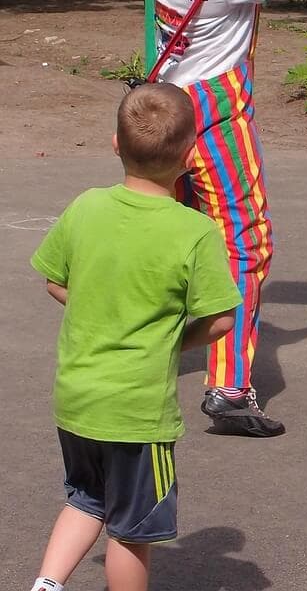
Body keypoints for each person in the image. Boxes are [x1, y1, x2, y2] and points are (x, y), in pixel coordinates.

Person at [124, 0, 307, 437]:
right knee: (245, 244)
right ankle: (229, 385)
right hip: (215, 112)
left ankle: (145, 354)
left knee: (172, 241)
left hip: (163, 107)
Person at [27, 84, 243, 591]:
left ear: (114, 144)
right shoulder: (194, 231)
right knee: (132, 530)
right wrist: (172, 339)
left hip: (78, 399)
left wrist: (96, 311)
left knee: (85, 499)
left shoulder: (86, 206)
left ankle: (47, 584)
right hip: (137, 414)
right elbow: (222, 320)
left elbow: (55, 279)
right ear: (191, 156)